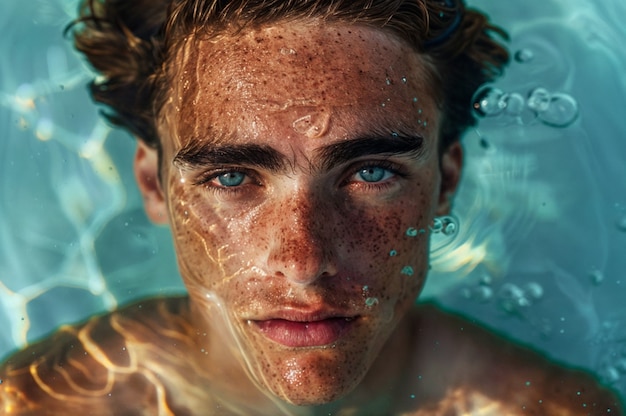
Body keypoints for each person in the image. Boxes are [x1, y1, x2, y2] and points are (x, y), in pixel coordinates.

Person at [0, 0, 622, 414]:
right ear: (155, 185)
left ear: (445, 181)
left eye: (372, 172)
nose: (304, 262)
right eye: (233, 176)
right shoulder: (45, 403)